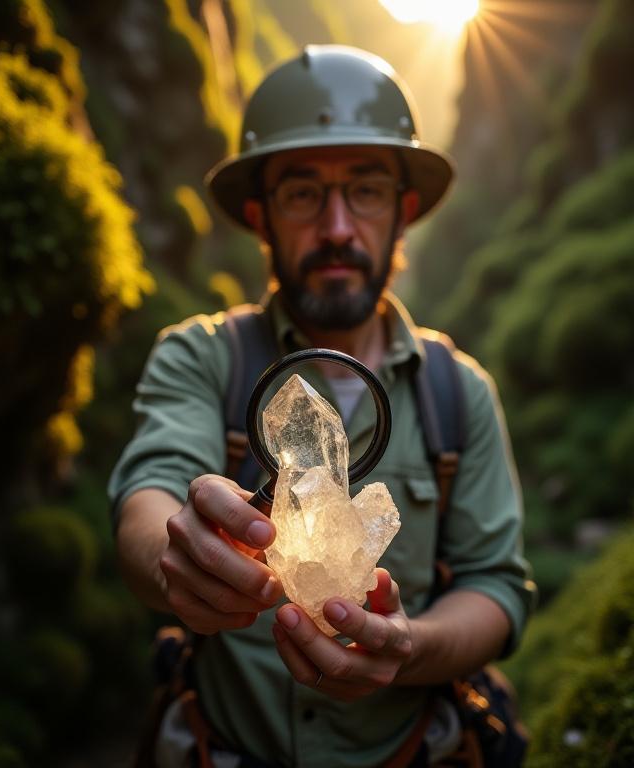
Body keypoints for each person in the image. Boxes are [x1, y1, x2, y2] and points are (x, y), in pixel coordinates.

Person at [109, 45, 536, 768]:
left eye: (364, 191)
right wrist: (177, 556)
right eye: (303, 194)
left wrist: (409, 647)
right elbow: (148, 497)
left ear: (403, 213)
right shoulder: (199, 357)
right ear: (260, 215)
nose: (337, 227)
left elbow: (496, 584)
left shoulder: (459, 394)